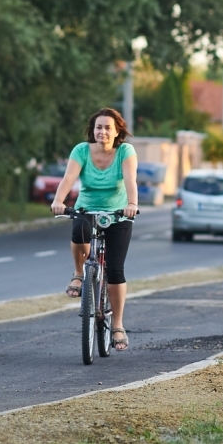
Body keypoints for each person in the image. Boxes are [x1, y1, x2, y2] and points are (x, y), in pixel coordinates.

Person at [50, 108, 138, 351]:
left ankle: (117, 325)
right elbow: (68, 179)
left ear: (117, 131)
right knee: (78, 232)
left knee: (115, 269)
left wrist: (132, 205)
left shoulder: (125, 152)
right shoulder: (81, 150)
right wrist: (59, 201)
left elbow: (130, 180)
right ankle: (79, 274)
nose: (103, 132)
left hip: (118, 213)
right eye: (99, 127)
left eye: (108, 127)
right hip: (87, 208)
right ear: (93, 130)